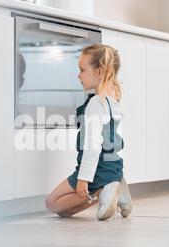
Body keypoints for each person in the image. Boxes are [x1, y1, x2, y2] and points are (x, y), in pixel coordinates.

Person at [45, 44, 133, 221]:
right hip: (113, 165)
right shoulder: (113, 99)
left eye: (82, 70)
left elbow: (92, 146)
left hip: (96, 169)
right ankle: (113, 188)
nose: (78, 75)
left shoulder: (94, 104)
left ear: (99, 71)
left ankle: (102, 191)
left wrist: (84, 178)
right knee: (65, 211)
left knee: (52, 203)